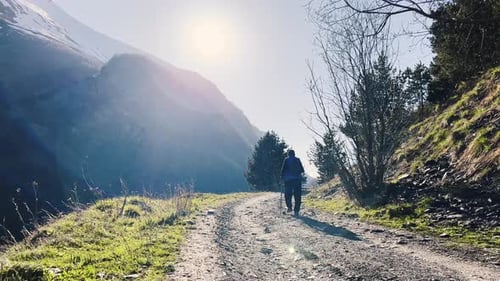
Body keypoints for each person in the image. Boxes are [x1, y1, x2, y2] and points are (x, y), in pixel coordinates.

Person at [281, 149, 305, 216]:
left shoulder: (286, 160)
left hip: (288, 180)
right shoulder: (297, 160)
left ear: (288, 154)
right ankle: (296, 210)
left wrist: (282, 178)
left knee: (288, 194)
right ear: (294, 154)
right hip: (297, 179)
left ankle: (289, 207)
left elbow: (283, 170)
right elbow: (302, 170)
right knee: (297, 195)